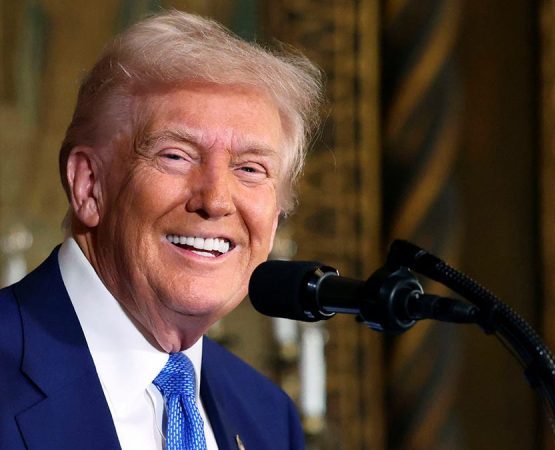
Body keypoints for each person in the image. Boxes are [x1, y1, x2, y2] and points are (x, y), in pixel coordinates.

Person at [0, 10, 323, 450]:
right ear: (89, 185)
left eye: (250, 169)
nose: (216, 200)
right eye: (176, 156)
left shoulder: (268, 416)